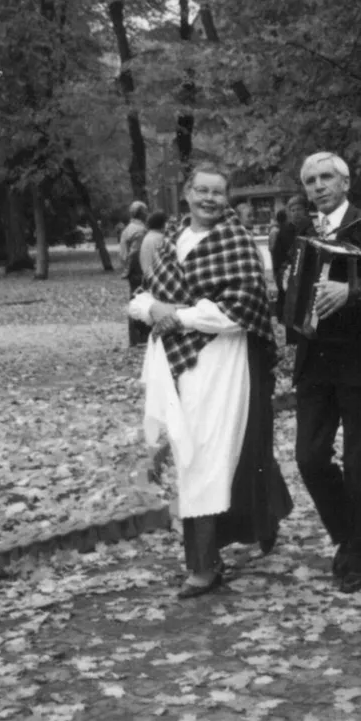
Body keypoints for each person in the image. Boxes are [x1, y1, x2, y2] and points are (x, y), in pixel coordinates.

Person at [129, 163, 292, 598]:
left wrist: (176, 316)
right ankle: (261, 518)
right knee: (201, 453)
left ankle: (203, 565)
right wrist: (152, 310)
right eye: (201, 190)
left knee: (203, 456)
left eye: (217, 193)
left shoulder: (237, 242)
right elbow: (144, 296)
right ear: (186, 193)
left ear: (227, 198)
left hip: (222, 361)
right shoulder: (171, 241)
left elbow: (240, 308)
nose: (209, 199)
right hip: (176, 363)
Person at [291, 152, 361, 593]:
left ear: (345, 182)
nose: (318, 186)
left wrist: (350, 290)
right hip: (315, 359)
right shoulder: (302, 230)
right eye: (311, 180)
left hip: (359, 357)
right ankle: (347, 534)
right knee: (309, 456)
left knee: (359, 461)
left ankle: (360, 558)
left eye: (326, 177)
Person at [270, 195, 314, 324]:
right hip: (288, 281)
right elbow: (277, 260)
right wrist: (280, 278)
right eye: (292, 210)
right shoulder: (284, 231)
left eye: (299, 209)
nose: (296, 213)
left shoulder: (313, 229)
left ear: (306, 210)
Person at [120, 201, 150, 346]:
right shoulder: (140, 231)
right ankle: (140, 338)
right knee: (140, 302)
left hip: (132, 272)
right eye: (146, 211)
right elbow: (135, 253)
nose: (147, 213)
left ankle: (134, 338)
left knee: (134, 301)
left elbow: (124, 254)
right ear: (141, 213)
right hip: (138, 272)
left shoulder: (128, 229)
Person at [138, 211, 168, 285]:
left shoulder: (148, 237)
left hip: (147, 276)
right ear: (162, 224)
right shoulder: (160, 238)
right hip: (158, 280)